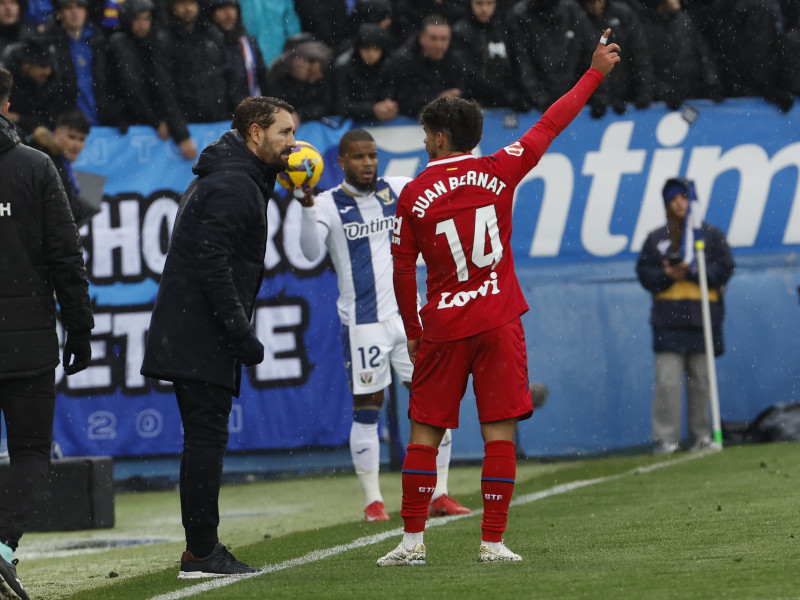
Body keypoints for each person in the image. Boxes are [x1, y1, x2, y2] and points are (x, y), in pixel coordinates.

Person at [377, 29, 620, 567]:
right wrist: (594, 73)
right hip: (498, 318)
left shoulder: (414, 193)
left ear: (439, 138)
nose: (422, 140)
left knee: (424, 433)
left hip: (442, 326)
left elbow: (401, 271)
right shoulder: (500, 169)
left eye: (425, 133)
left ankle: (412, 543)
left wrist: (413, 330)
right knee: (498, 434)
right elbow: (551, 124)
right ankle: (492, 542)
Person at [140, 96, 296, 578]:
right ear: (255, 133)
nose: (293, 143)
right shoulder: (233, 184)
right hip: (201, 331)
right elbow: (212, 265)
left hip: (193, 327)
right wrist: (241, 332)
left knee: (203, 439)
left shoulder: (232, 175)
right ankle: (202, 552)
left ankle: (200, 549)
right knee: (206, 440)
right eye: (284, 133)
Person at [296, 128, 471, 522]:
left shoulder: (398, 189)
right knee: (368, 410)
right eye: (358, 157)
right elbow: (307, 254)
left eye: (372, 155)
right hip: (364, 325)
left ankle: (439, 494)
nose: (368, 163)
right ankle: (374, 501)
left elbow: (441, 188)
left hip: (412, 320)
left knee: (435, 405)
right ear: (341, 162)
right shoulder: (326, 204)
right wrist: (305, 206)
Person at [0, 66, 93, 600]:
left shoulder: (42, 163)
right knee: (32, 450)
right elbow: (65, 255)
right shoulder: (35, 167)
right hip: (26, 336)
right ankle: (3, 542)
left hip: (25, 333)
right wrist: (78, 327)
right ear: (8, 106)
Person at [636, 177, 735, 454]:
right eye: (674, 199)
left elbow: (725, 268)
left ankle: (702, 435)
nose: (680, 203)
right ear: (667, 204)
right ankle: (666, 439)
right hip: (668, 322)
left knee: (702, 381)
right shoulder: (657, 239)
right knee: (667, 382)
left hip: (703, 320)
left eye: (684, 198)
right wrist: (667, 275)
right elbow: (645, 274)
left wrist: (695, 271)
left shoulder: (710, 236)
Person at [106, 0, 198, 159]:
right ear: (128, 19)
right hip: (127, 122)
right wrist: (155, 121)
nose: (143, 24)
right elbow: (132, 88)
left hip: (140, 119)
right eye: (137, 19)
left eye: (147, 18)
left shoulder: (150, 43)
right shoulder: (120, 43)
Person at [382, 13, 465, 118]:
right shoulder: (403, 61)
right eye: (433, 38)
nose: (439, 45)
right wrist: (437, 100)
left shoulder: (456, 60)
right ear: (421, 38)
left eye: (444, 39)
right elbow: (402, 101)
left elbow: (462, 91)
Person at [451, 0, 528, 111]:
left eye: (489, 3)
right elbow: (467, 71)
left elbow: (517, 63)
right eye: (479, 3)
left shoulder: (503, 29)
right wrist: (504, 95)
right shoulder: (461, 32)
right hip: (473, 103)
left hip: (506, 102)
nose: (484, 9)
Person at [43, 0, 111, 126]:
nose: (75, 12)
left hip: (99, 121)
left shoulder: (98, 41)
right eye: (69, 7)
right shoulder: (49, 43)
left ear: (86, 12)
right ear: (59, 13)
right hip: (65, 123)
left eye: (80, 7)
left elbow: (105, 82)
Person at [28, 108, 97, 227]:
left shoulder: (60, 161)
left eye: (81, 139)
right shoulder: (46, 161)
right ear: (57, 133)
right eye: (72, 137)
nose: (76, 145)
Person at [207, 0, 271, 109]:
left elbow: (264, 79)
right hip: (220, 119)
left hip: (252, 112)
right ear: (212, 13)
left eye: (232, 8)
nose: (228, 13)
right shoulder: (205, 45)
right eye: (222, 8)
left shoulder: (248, 42)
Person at [331, 23, 398, 123]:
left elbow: (394, 94)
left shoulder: (389, 67)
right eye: (366, 48)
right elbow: (341, 105)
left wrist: (389, 106)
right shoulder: (344, 67)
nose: (371, 54)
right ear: (359, 49)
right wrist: (372, 109)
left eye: (376, 48)